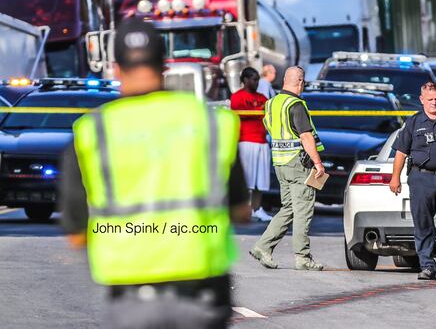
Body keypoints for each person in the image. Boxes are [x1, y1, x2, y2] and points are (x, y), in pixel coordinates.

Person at [60, 17, 250, 329]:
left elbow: (77, 233)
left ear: (115, 68)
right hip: (201, 294)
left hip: (130, 298)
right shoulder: (211, 123)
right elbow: (241, 210)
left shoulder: (92, 132)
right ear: (165, 66)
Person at [249, 66, 326, 271]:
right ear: (300, 81)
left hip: (280, 163)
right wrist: (317, 163)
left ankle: (262, 247)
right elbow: (306, 136)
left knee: (289, 208)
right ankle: (303, 257)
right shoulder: (296, 104)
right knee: (303, 211)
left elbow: (270, 127)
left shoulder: (272, 103)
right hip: (297, 164)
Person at [389, 82, 436, 280]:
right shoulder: (413, 122)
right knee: (423, 223)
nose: (434, 103)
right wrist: (395, 178)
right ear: (421, 100)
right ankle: (427, 265)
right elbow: (401, 153)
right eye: (430, 100)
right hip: (421, 178)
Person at [230, 67, 273, 222]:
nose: (256, 82)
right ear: (246, 80)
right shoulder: (237, 96)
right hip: (246, 141)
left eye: (258, 79)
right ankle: (246, 207)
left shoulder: (262, 97)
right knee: (247, 179)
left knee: (260, 180)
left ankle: (257, 208)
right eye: (254, 79)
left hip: (262, 141)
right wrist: (258, 109)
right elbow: (239, 114)